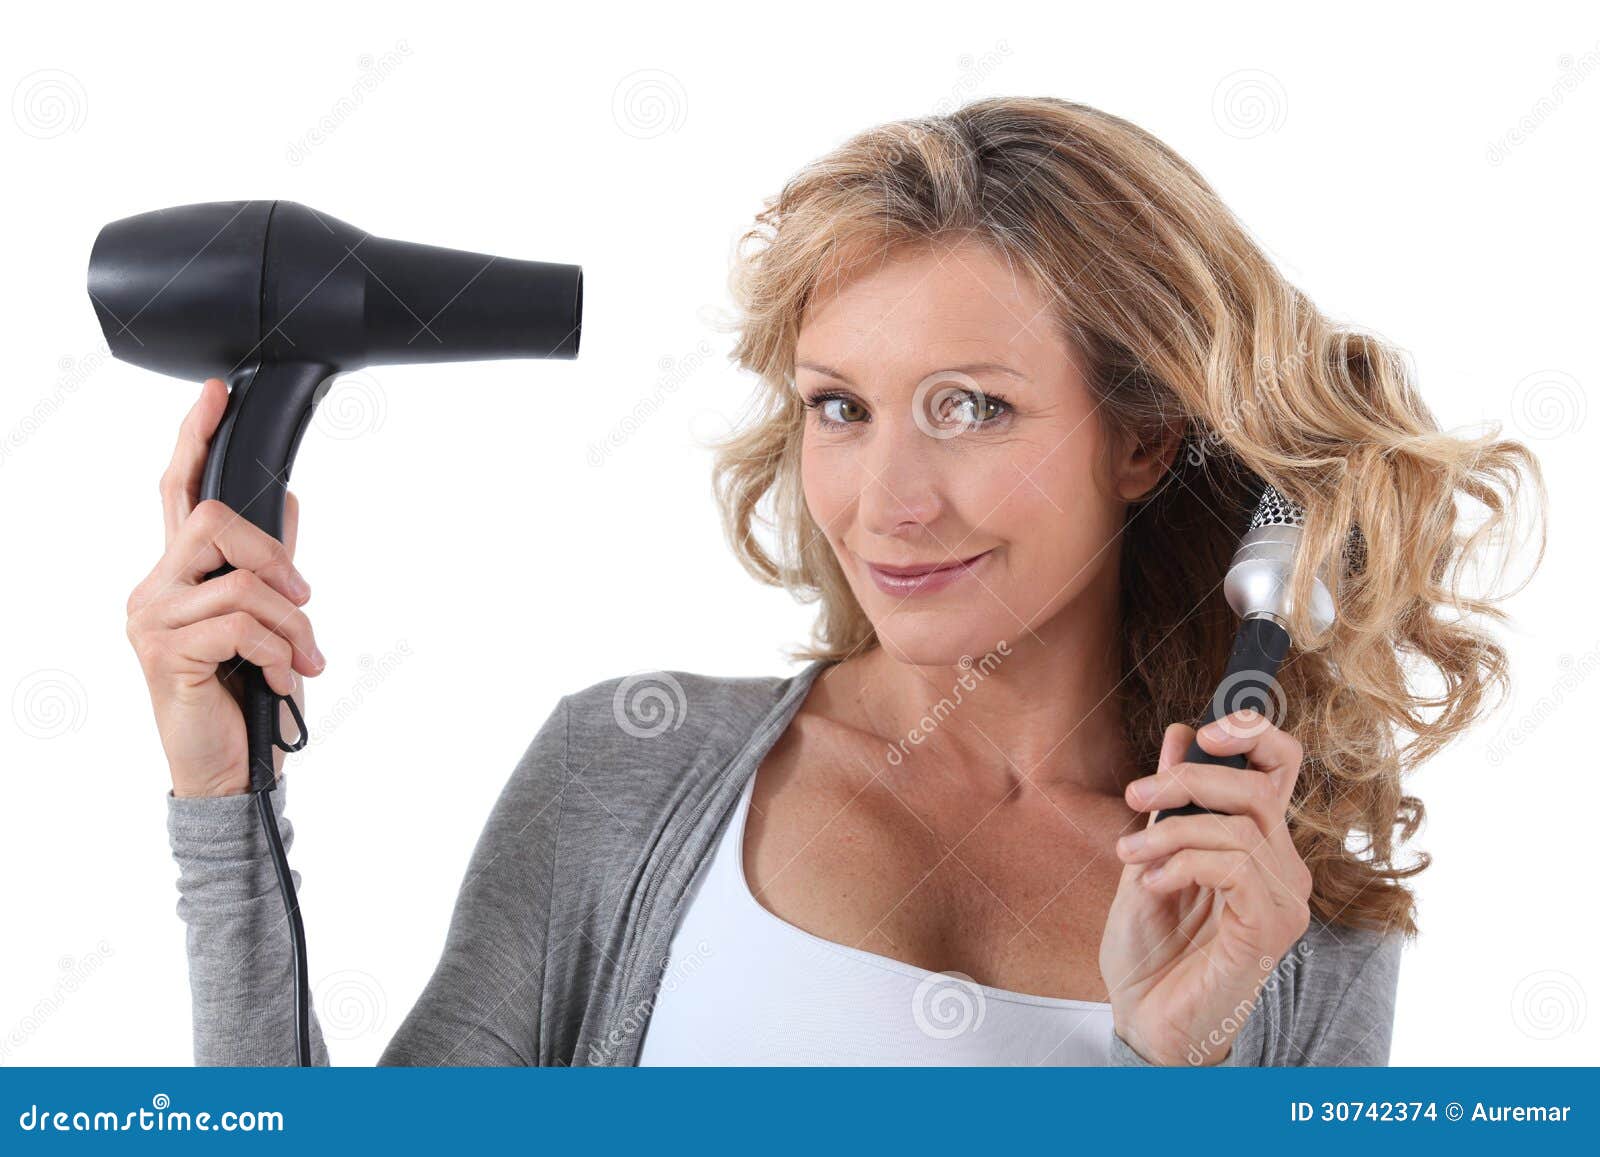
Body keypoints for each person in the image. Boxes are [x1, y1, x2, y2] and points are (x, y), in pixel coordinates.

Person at [128, 97, 1543, 1066]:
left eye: (972, 408)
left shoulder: (1292, 924)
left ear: (1142, 437)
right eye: (840, 408)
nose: (888, 503)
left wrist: (1175, 1072)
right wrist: (220, 796)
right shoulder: (626, 775)